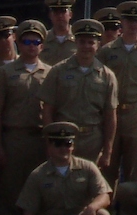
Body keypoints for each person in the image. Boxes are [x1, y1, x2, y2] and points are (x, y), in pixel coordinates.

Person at [0, 19, 53, 215]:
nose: (31, 45)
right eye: (26, 41)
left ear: (42, 45)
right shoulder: (4, 73)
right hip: (13, 138)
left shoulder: (50, 73)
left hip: (39, 139)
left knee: (39, 196)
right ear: (18, 42)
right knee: (10, 194)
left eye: (36, 41)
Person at [39, 20, 118, 172]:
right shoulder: (58, 71)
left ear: (98, 44)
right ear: (75, 42)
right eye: (82, 42)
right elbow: (47, 109)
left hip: (92, 141)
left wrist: (107, 150)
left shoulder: (107, 76)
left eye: (91, 42)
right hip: (63, 140)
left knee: (87, 181)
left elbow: (110, 115)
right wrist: (50, 142)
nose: (86, 46)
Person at [99, 1, 137, 180]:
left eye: (136, 20)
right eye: (129, 20)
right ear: (122, 22)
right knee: (108, 166)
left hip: (136, 115)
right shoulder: (106, 51)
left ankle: (127, 199)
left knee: (133, 167)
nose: (133, 25)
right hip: (111, 113)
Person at [40, 0, 78, 66]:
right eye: (56, 12)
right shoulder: (43, 39)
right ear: (50, 15)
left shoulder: (79, 38)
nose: (60, 16)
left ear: (70, 14)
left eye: (63, 12)